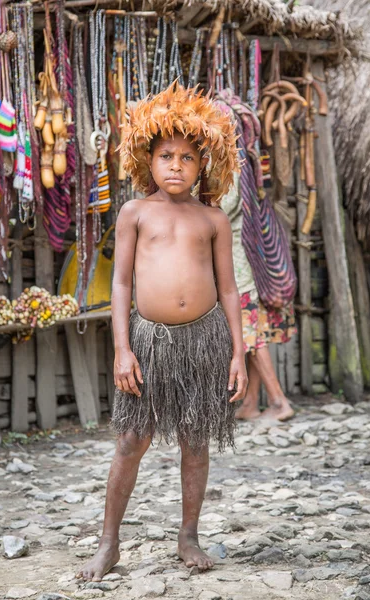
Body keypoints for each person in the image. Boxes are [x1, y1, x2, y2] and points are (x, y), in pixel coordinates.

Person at [77, 84, 247, 582]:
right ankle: (109, 543)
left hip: (205, 340)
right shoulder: (136, 212)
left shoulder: (212, 218)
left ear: (203, 165)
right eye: (166, 155)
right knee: (131, 440)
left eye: (188, 157)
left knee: (196, 440)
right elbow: (123, 283)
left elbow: (230, 289)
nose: (176, 165)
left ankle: (189, 535)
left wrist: (238, 352)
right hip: (149, 344)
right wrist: (122, 349)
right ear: (147, 160)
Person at [222, 175, 295, 422]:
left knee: (246, 333)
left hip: (239, 260)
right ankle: (251, 403)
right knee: (254, 334)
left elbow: (224, 207)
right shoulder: (240, 157)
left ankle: (278, 401)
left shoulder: (228, 163)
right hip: (250, 258)